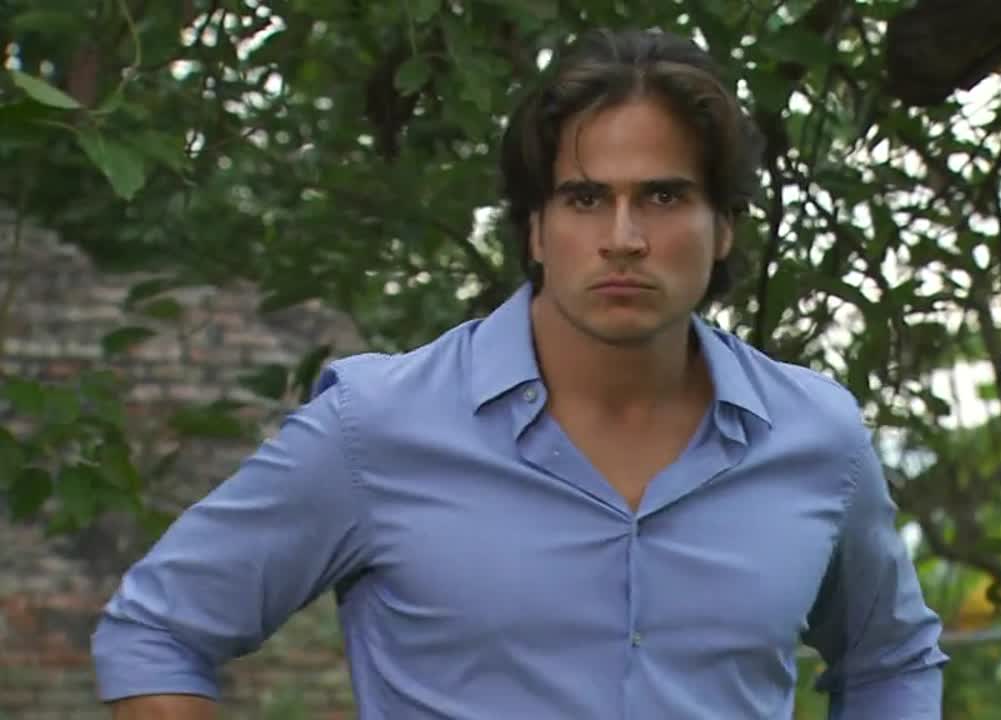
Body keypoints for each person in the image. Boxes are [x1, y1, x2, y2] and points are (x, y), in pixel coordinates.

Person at [91, 28, 947, 719]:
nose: (623, 239)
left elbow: (892, 661)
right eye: (585, 199)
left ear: (723, 226)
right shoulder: (376, 428)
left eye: (663, 196)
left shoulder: (815, 438)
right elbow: (158, 631)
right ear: (535, 228)